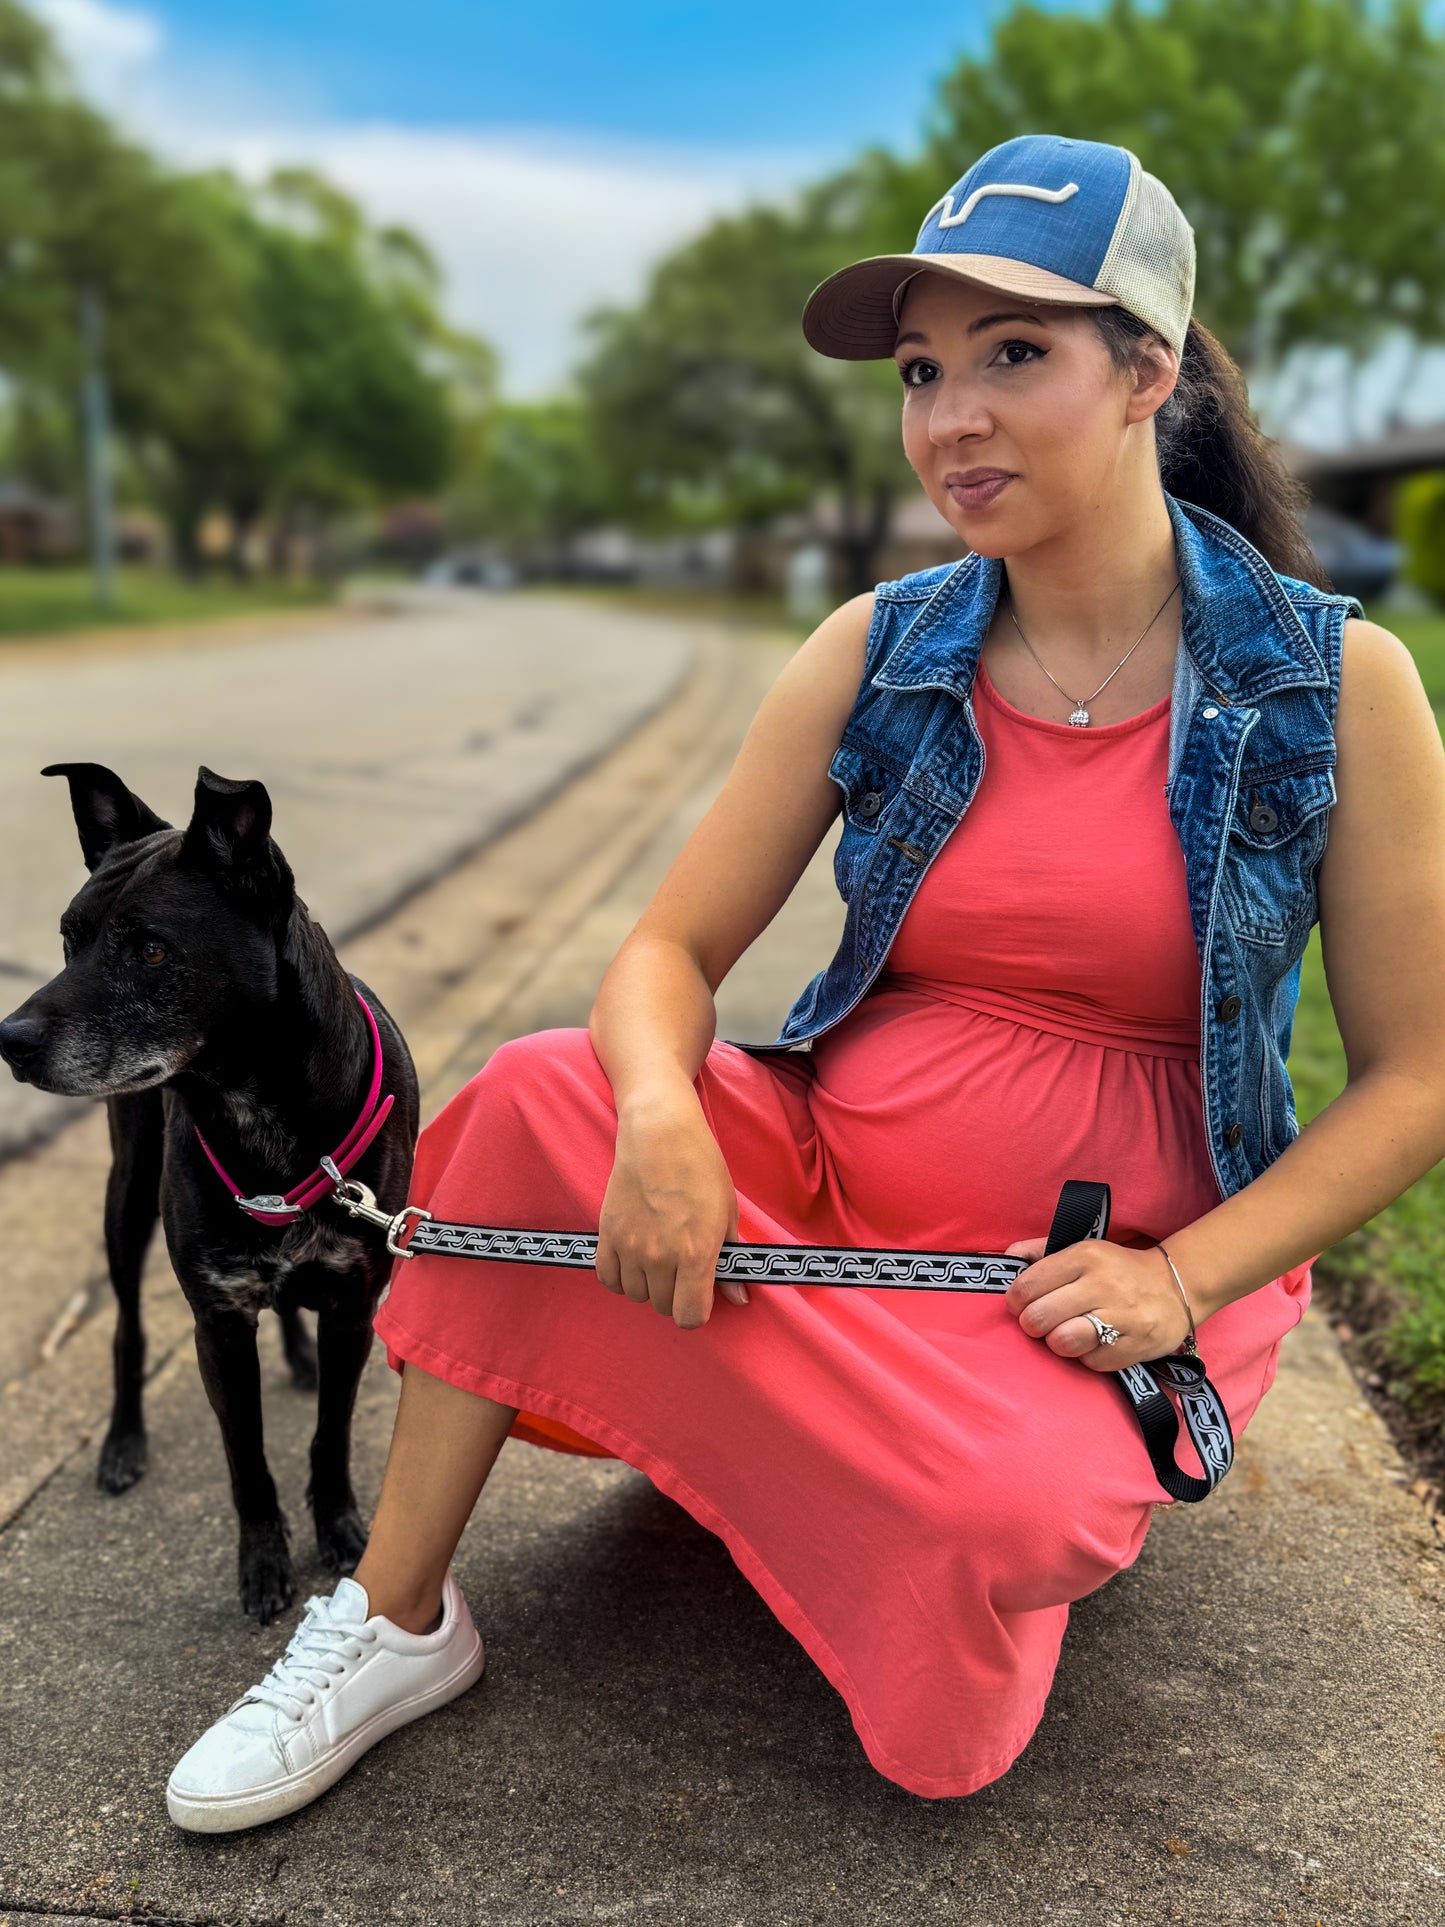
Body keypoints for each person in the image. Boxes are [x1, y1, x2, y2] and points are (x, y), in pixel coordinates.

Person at [165, 134, 1445, 1832]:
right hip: (825, 1196)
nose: (949, 418)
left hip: (1076, 1293)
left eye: (1014, 354)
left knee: (997, 1511)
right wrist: (656, 1120)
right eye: (923, 371)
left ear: (1147, 371)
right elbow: (668, 955)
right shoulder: (878, 649)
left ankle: (788, 1437)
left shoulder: (1332, 685)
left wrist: (1184, 1281)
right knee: (543, 1088)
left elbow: (1416, 1079)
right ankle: (399, 1614)